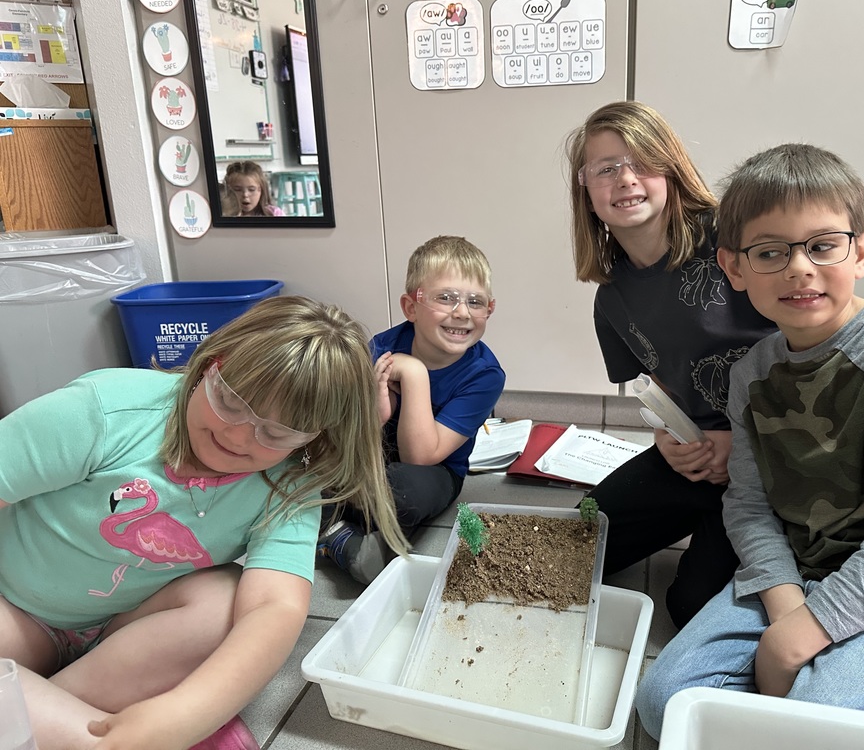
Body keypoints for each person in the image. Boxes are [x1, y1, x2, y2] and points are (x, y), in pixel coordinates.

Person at [635, 143, 864, 739]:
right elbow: (749, 505)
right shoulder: (752, 372)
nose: (799, 268)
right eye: (770, 252)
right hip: (801, 571)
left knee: (812, 724)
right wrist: (786, 612)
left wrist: (802, 637)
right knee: (666, 704)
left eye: (823, 245)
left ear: (862, 249)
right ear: (734, 268)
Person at [0, 295, 408, 750]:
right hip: (16, 605)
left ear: (317, 436)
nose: (237, 435)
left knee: (227, 603)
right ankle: (80, 726)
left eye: (278, 432)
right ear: (210, 364)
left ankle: (50, 712)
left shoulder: (292, 480)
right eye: (231, 400)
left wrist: (187, 713)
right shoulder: (107, 411)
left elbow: (274, 606)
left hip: (122, 624)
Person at [565, 101, 776, 628]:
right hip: (699, 458)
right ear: (585, 190)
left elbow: (809, 353)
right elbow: (653, 384)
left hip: (777, 457)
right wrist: (666, 439)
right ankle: (707, 514)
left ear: (672, 168)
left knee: (690, 608)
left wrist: (743, 447)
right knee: (575, 544)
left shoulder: (732, 241)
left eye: (642, 161)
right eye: (605, 169)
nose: (625, 179)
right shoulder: (612, 296)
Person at [318, 235, 505, 584]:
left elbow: (421, 456)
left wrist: (414, 374)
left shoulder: (485, 376)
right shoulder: (381, 348)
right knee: (311, 460)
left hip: (432, 471)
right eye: (445, 298)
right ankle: (344, 536)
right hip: (371, 454)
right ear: (411, 307)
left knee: (402, 489)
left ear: (489, 310)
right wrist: (377, 416)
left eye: (475, 302)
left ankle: (336, 533)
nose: (462, 312)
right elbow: (346, 432)